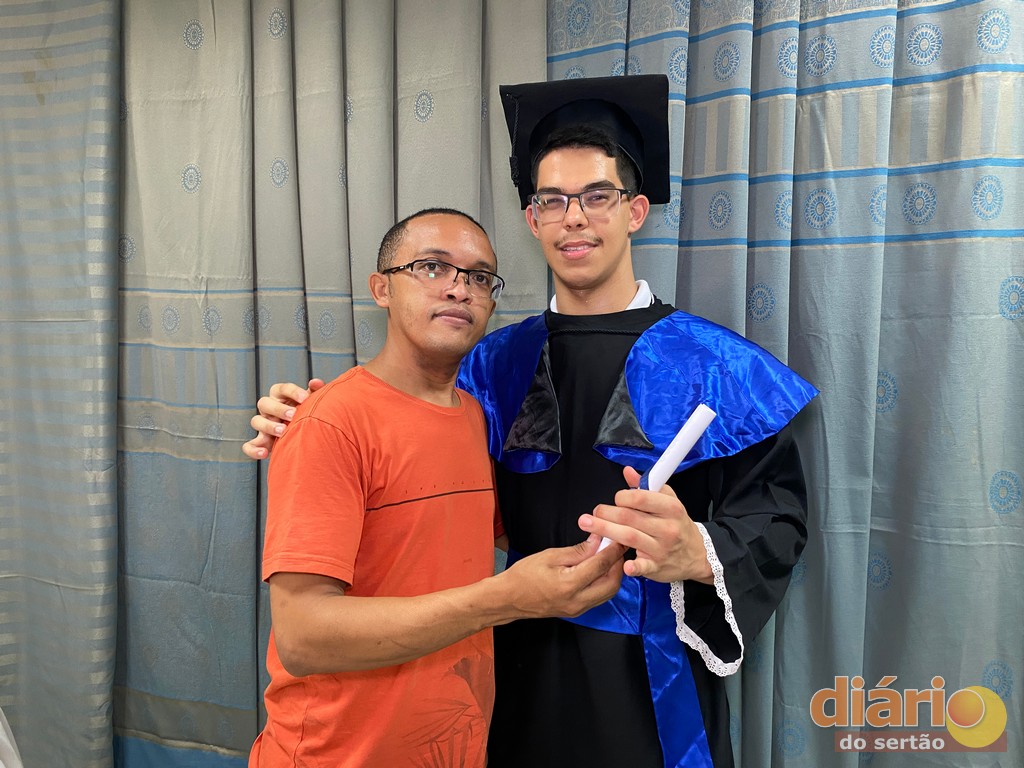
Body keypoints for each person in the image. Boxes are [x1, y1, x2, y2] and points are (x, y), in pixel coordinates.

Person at [246, 77, 819, 768]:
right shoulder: (488, 364)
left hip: (648, 682)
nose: (574, 218)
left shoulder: (718, 366)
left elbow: (776, 517)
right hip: (501, 663)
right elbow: (403, 435)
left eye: (597, 196)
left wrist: (698, 550)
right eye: (552, 200)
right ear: (532, 219)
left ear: (635, 211)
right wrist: (305, 415)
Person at [248, 207, 626, 768]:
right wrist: (503, 600)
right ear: (382, 288)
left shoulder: (475, 418)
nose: (458, 288)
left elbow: (499, 536)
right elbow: (303, 638)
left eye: (479, 277)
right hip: (338, 755)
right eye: (432, 267)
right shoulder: (331, 422)